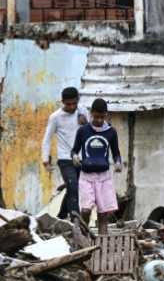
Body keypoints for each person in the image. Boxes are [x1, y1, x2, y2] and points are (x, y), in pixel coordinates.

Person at [71, 98, 123, 236]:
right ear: (91, 114)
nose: (99, 120)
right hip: (86, 175)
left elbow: (116, 152)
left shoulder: (111, 132)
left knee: (104, 212)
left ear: (106, 115)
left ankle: (103, 242)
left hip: (104, 176)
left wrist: (118, 162)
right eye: (96, 116)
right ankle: (83, 237)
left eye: (102, 117)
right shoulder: (83, 131)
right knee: (86, 209)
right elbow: (74, 150)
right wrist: (75, 157)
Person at [41, 86, 89, 221]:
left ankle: (62, 215)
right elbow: (47, 138)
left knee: (73, 189)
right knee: (73, 185)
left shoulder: (82, 112)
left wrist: (86, 124)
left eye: (74, 103)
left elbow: (91, 131)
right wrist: (45, 159)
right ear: (62, 102)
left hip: (81, 157)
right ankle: (76, 221)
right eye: (68, 104)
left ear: (78, 100)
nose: (72, 106)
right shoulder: (55, 117)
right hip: (65, 159)